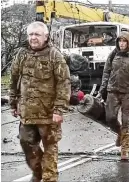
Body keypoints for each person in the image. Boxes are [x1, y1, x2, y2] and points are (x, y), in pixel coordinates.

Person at [9, 21, 71, 182]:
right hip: (26, 111)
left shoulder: (54, 55)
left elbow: (64, 83)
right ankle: (38, 172)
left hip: (48, 113)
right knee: (27, 144)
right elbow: (14, 79)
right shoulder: (22, 54)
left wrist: (59, 109)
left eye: (37, 34)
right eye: (30, 34)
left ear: (46, 36)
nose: (33, 38)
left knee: (50, 147)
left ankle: (50, 178)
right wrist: (13, 102)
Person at [97, 32, 129, 160]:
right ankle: (120, 133)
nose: (122, 43)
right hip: (112, 91)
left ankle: (125, 148)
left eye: (124, 41)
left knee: (126, 121)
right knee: (110, 118)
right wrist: (101, 90)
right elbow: (106, 73)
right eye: (120, 41)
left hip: (128, 93)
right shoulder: (113, 54)